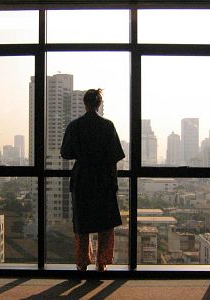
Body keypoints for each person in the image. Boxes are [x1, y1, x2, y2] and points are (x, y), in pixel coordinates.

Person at [60, 88, 125, 272]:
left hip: (82, 177)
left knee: (82, 222)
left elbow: (65, 153)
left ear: (84, 103)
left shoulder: (75, 126)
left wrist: (81, 152)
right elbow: (113, 158)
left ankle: (82, 262)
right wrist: (114, 181)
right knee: (105, 222)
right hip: (103, 177)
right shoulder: (108, 126)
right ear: (99, 104)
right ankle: (102, 262)